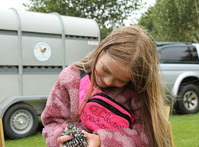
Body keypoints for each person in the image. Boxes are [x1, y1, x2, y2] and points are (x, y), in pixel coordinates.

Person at [41, 25, 173, 147]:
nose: (108, 81)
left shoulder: (135, 92)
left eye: (121, 80)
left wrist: (101, 141)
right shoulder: (70, 78)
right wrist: (65, 139)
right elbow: (52, 122)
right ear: (102, 47)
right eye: (106, 69)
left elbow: (145, 138)